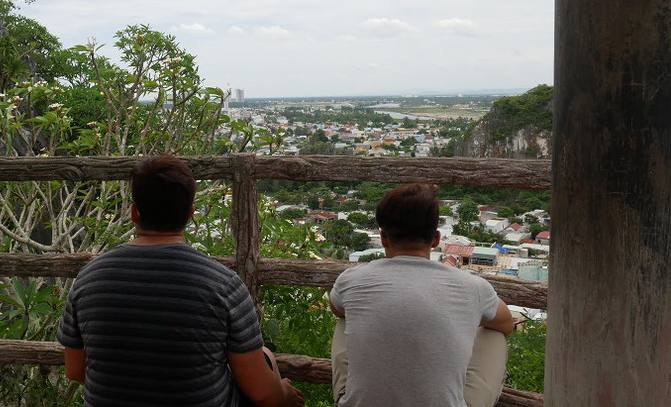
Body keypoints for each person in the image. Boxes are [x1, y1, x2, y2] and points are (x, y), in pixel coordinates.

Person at [58, 154, 304, 407]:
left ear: (134, 212)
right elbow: (262, 392)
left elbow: (75, 371)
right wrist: (284, 394)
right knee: (265, 358)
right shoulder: (223, 285)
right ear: (190, 214)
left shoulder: (89, 278)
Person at [329, 183, 514, 407]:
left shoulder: (351, 280)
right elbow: (506, 325)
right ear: (436, 239)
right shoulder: (473, 287)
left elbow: (336, 308)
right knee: (494, 336)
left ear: (383, 238)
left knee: (345, 316)